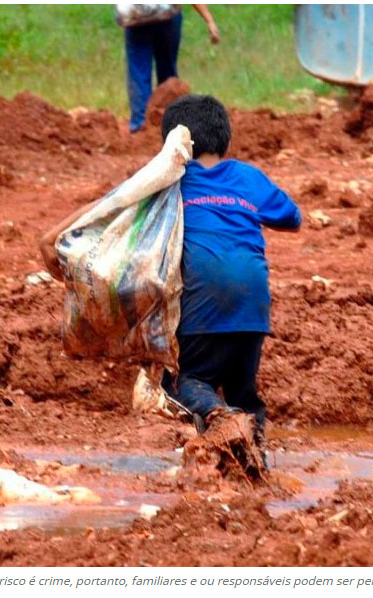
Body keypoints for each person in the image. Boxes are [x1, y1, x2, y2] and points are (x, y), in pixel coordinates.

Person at [159, 95, 301, 464]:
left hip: (203, 303)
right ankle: (255, 464)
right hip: (253, 306)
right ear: (226, 140)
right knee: (243, 393)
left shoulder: (170, 181)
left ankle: (220, 417)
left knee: (186, 382)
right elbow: (292, 217)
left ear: (174, 145)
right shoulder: (247, 177)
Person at [118, 4, 219, 133]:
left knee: (139, 74)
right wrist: (209, 20)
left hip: (137, 16)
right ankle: (171, 124)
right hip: (168, 16)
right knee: (168, 74)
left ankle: (140, 125)